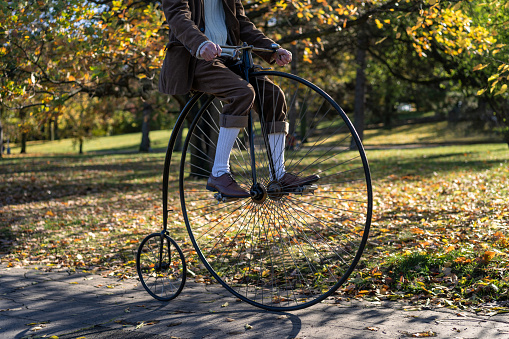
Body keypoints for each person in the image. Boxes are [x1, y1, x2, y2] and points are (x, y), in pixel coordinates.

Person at [159, 0, 318, 198]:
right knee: (242, 93)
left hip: (230, 58)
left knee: (273, 96)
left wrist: (271, 48)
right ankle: (219, 173)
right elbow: (177, 16)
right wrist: (200, 43)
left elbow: (241, 23)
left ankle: (279, 174)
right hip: (195, 59)